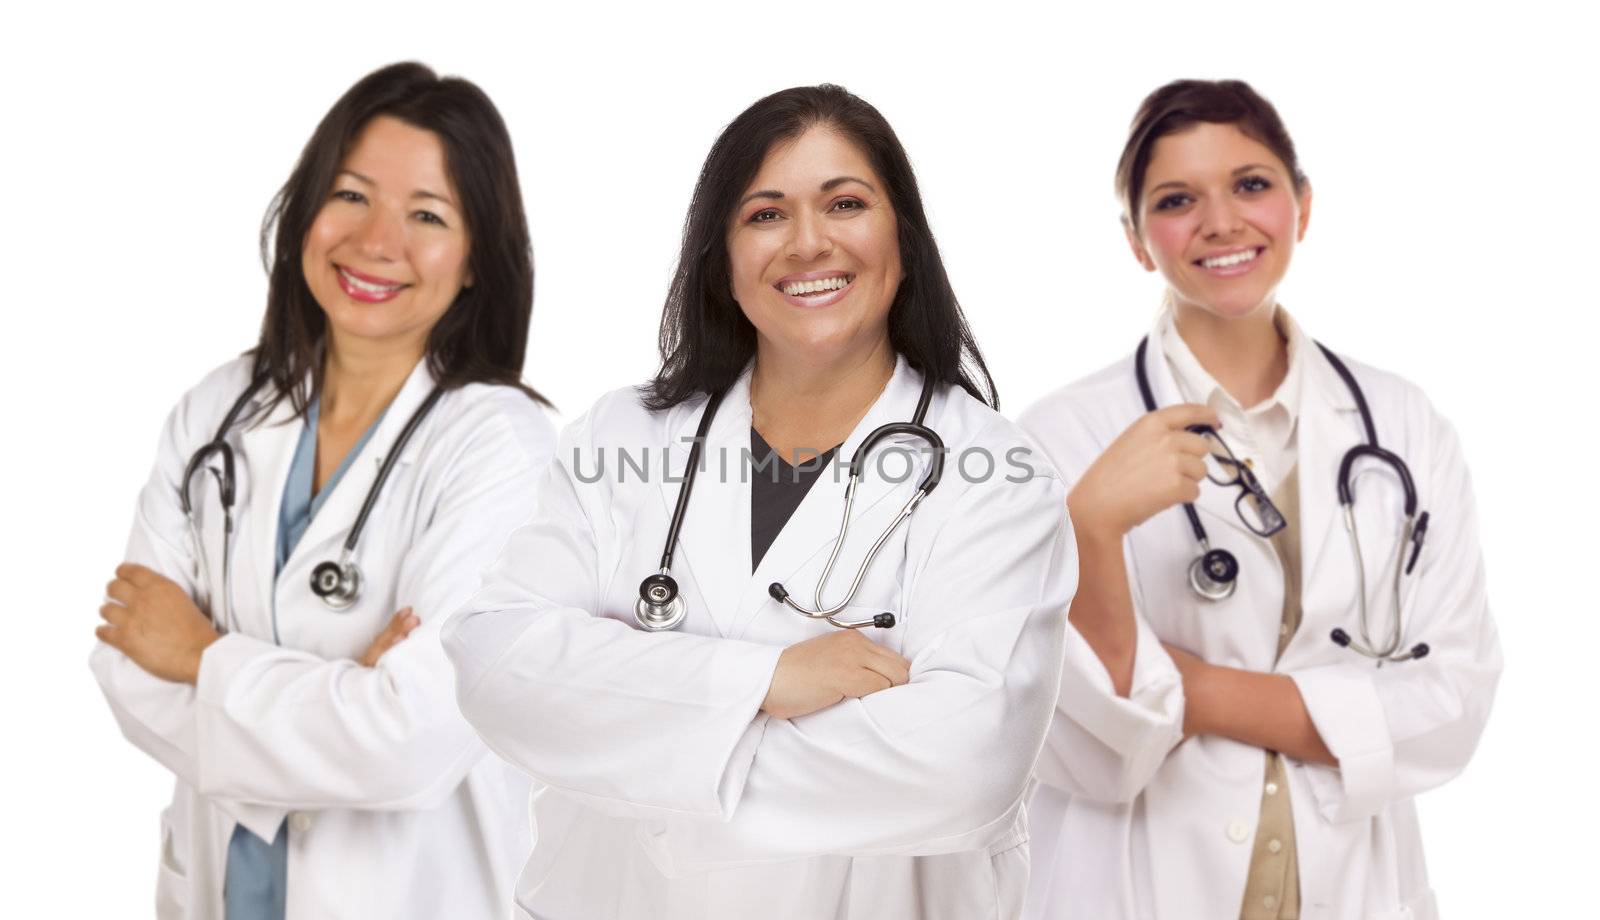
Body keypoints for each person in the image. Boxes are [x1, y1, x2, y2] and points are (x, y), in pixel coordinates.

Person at [443, 84, 1074, 920]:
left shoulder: (995, 470)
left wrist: (633, 741)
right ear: (722, 257)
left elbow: (965, 764)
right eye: (766, 214)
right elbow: (495, 664)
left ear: (903, 238)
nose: (808, 244)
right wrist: (766, 679)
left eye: (845, 203)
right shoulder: (621, 435)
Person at [1018, 79, 1502, 920]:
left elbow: (1452, 707)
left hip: (1355, 883)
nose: (1222, 221)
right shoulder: (1062, 438)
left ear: (1302, 206)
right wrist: (1090, 526)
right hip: (1138, 883)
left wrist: (1194, 692)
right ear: (1136, 240)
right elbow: (1084, 750)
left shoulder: (1403, 426)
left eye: (1251, 184)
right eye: (1176, 200)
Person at [89, 61, 554, 920]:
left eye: (426, 214)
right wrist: (341, 698)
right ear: (305, 208)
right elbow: (125, 664)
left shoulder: (503, 447)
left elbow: (413, 739)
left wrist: (201, 658)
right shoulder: (219, 410)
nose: (377, 242)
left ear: (479, 256)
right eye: (351, 195)